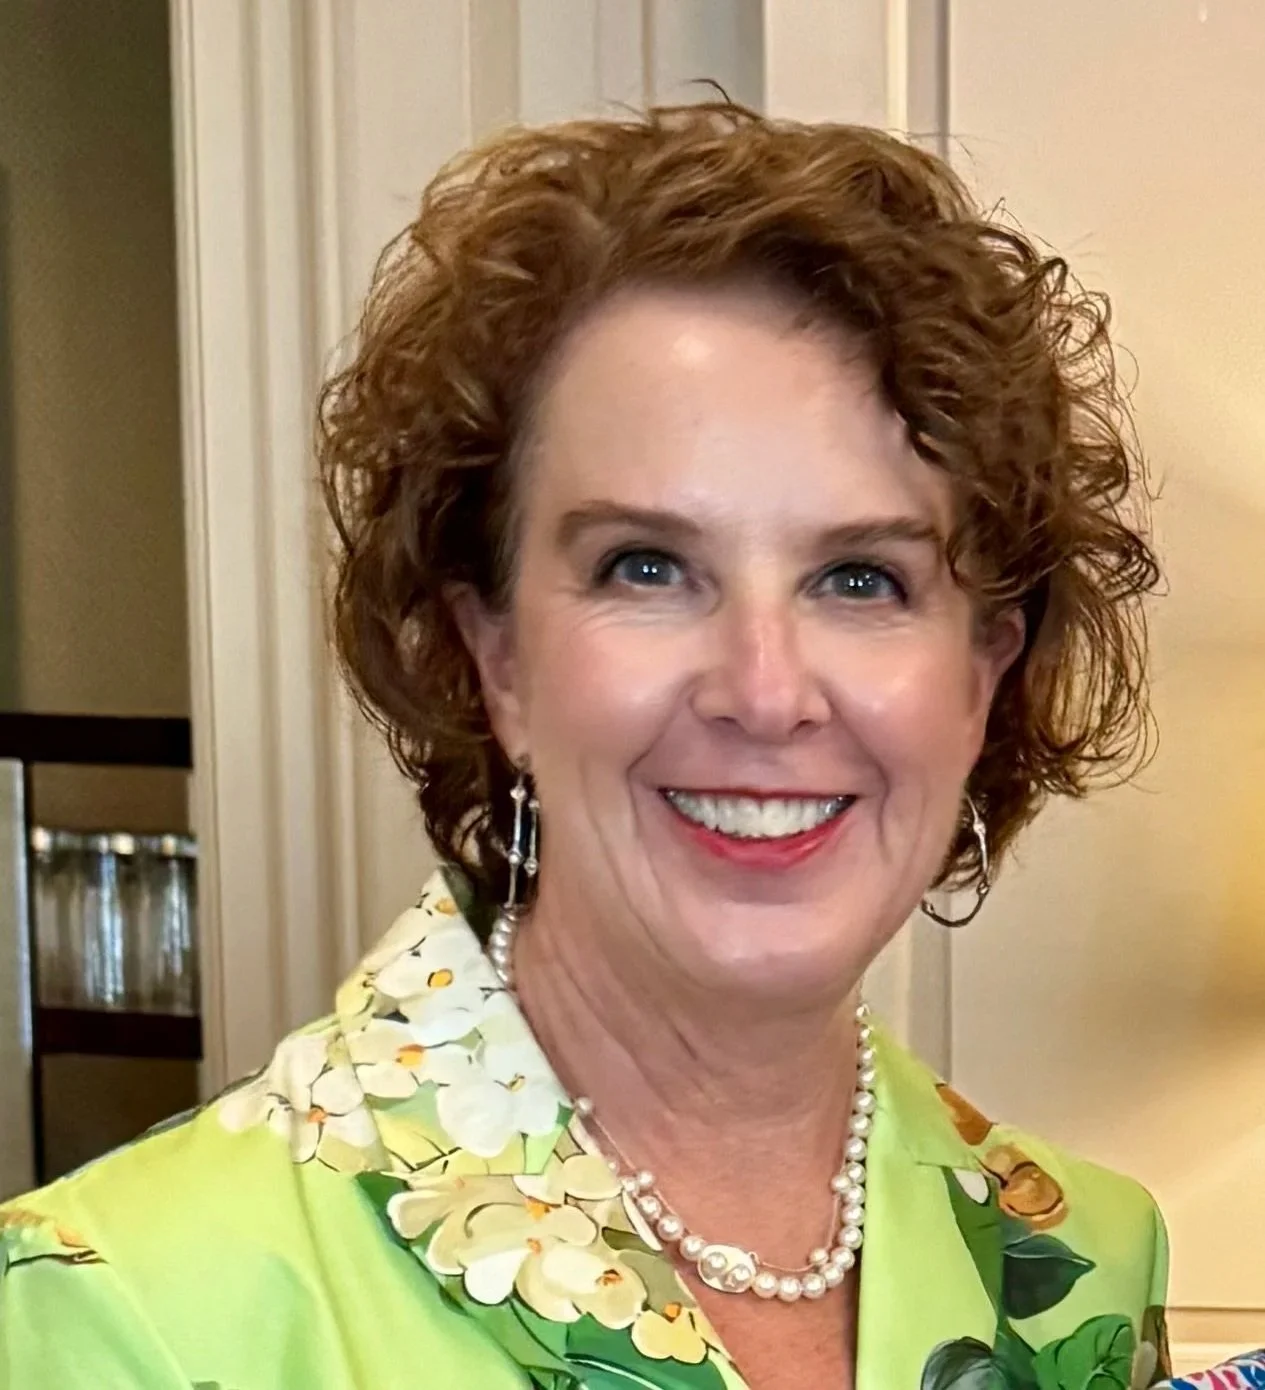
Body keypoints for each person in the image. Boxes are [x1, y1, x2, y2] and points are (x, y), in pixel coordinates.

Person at [0, 103, 1168, 1388]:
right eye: (647, 565)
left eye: (860, 578)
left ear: (980, 676)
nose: (764, 690)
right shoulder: (121, 1310)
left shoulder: (1080, 1281)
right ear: (494, 656)